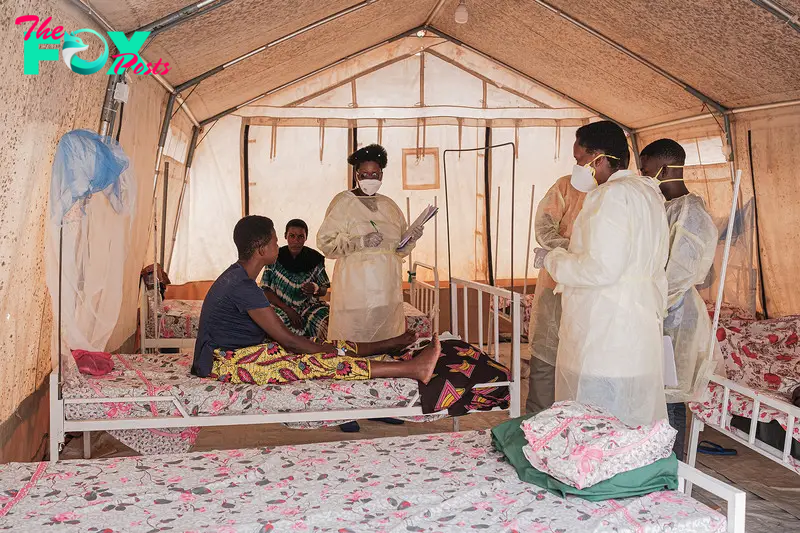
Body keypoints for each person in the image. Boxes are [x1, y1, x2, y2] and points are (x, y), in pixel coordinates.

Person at [191, 215, 440, 386]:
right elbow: (288, 340)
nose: (280, 244)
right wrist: (324, 351)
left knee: (323, 344)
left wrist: (323, 346)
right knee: (319, 361)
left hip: (238, 353)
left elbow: (286, 338)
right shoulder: (243, 287)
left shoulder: (237, 278)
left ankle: (384, 345)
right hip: (225, 363)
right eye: (276, 240)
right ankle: (412, 369)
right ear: (262, 251)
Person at [533, 121, 670, 427]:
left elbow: (599, 270)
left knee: (598, 421)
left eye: (580, 160)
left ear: (600, 158)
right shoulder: (647, 193)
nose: (578, 167)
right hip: (636, 323)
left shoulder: (610, 197)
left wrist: (553, 259)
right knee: (632, 415)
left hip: (606, 328)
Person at [640, 138, 718, 460]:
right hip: (655, 311)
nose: (644, 176)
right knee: (654, 392)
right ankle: (655, 459)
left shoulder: (691, 213)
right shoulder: (663, 207)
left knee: (670, 395)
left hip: (675, 315)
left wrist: (648, 302)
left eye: (647, 170)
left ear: (666, 168)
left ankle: (673, 466)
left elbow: (680, 275)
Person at [318, 144, 423, 343]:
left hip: (387, 292)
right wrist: (360, 242)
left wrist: (412, 238)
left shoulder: (390, 206)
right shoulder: (344, 202)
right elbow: (326, 243)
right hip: (356, 292)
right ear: (356, 175)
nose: (370, 179)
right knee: (353, 343)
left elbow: (397, 250)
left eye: (374, 174)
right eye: (364, 174)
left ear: (381, 176)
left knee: (387, 341)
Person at [526, 176, 587, 415]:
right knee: (545, 359)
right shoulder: (566, 187)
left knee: (583, 367)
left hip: (592, 293)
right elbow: (543, 228)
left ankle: (577, 428)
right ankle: (536, 427)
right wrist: (577, 252)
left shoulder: (619, 193)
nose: (580, 164)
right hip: (555, 287)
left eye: (582, 157)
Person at [261, 219, 331, 339]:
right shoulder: (275, 257)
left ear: (306, 238)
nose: (296, 241)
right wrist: (288, 310)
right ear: (285, 236)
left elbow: (324, 289)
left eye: (300, 237)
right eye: (292, 236)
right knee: (274, 323)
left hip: (308, 308)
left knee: (325, 322)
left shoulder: (315, 259)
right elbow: (266, 290)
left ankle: (320, 351)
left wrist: (315, 288)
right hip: (280, 307)